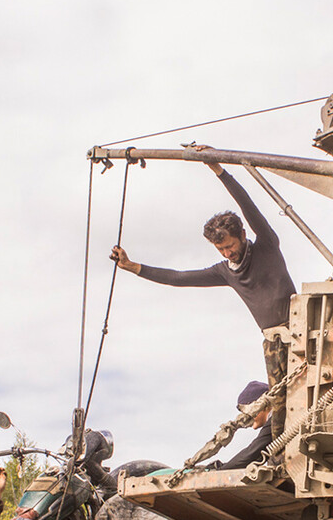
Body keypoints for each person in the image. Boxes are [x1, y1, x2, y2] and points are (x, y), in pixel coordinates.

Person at [110, 160, 295, 438]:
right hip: (272, 342)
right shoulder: (225, 272)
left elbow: (249, 208)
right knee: (279, 404)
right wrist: (135, 267)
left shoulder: (266, 246)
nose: (227, 253)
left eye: (230, 246)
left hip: (299, 329)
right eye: (221, 249)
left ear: (243, 235)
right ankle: (279, 455)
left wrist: (219, 170)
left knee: (303, 394)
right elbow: (180, 277)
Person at [219, 381, 274, 470]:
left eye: (248, 413)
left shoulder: (276, 420)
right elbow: (257, 457)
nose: (246, 419)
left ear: (263, 405)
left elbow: (252, 452)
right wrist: (224, 465)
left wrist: (220, 470)